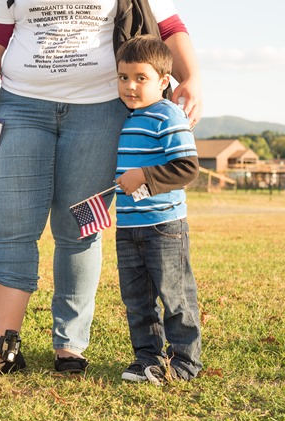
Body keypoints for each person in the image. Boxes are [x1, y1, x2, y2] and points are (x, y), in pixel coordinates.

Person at [0, 0, 202, 378]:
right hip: (23, 107)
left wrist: (193, 78)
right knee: (14, 227)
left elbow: (169, 27)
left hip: (101, 109)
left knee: (79, 228)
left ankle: (69, 345)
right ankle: (2, 347)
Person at [114, 35, 202, 385]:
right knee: (137, 301)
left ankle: (184, 363)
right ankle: (147, 359)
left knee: (175, 297)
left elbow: (187, 168)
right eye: (123, 77)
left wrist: (143, 175)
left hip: (164, 226)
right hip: (127, 227)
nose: (130, 86)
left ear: (164, 81)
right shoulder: (130, 118)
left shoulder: (168, 114)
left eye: (140, 78)